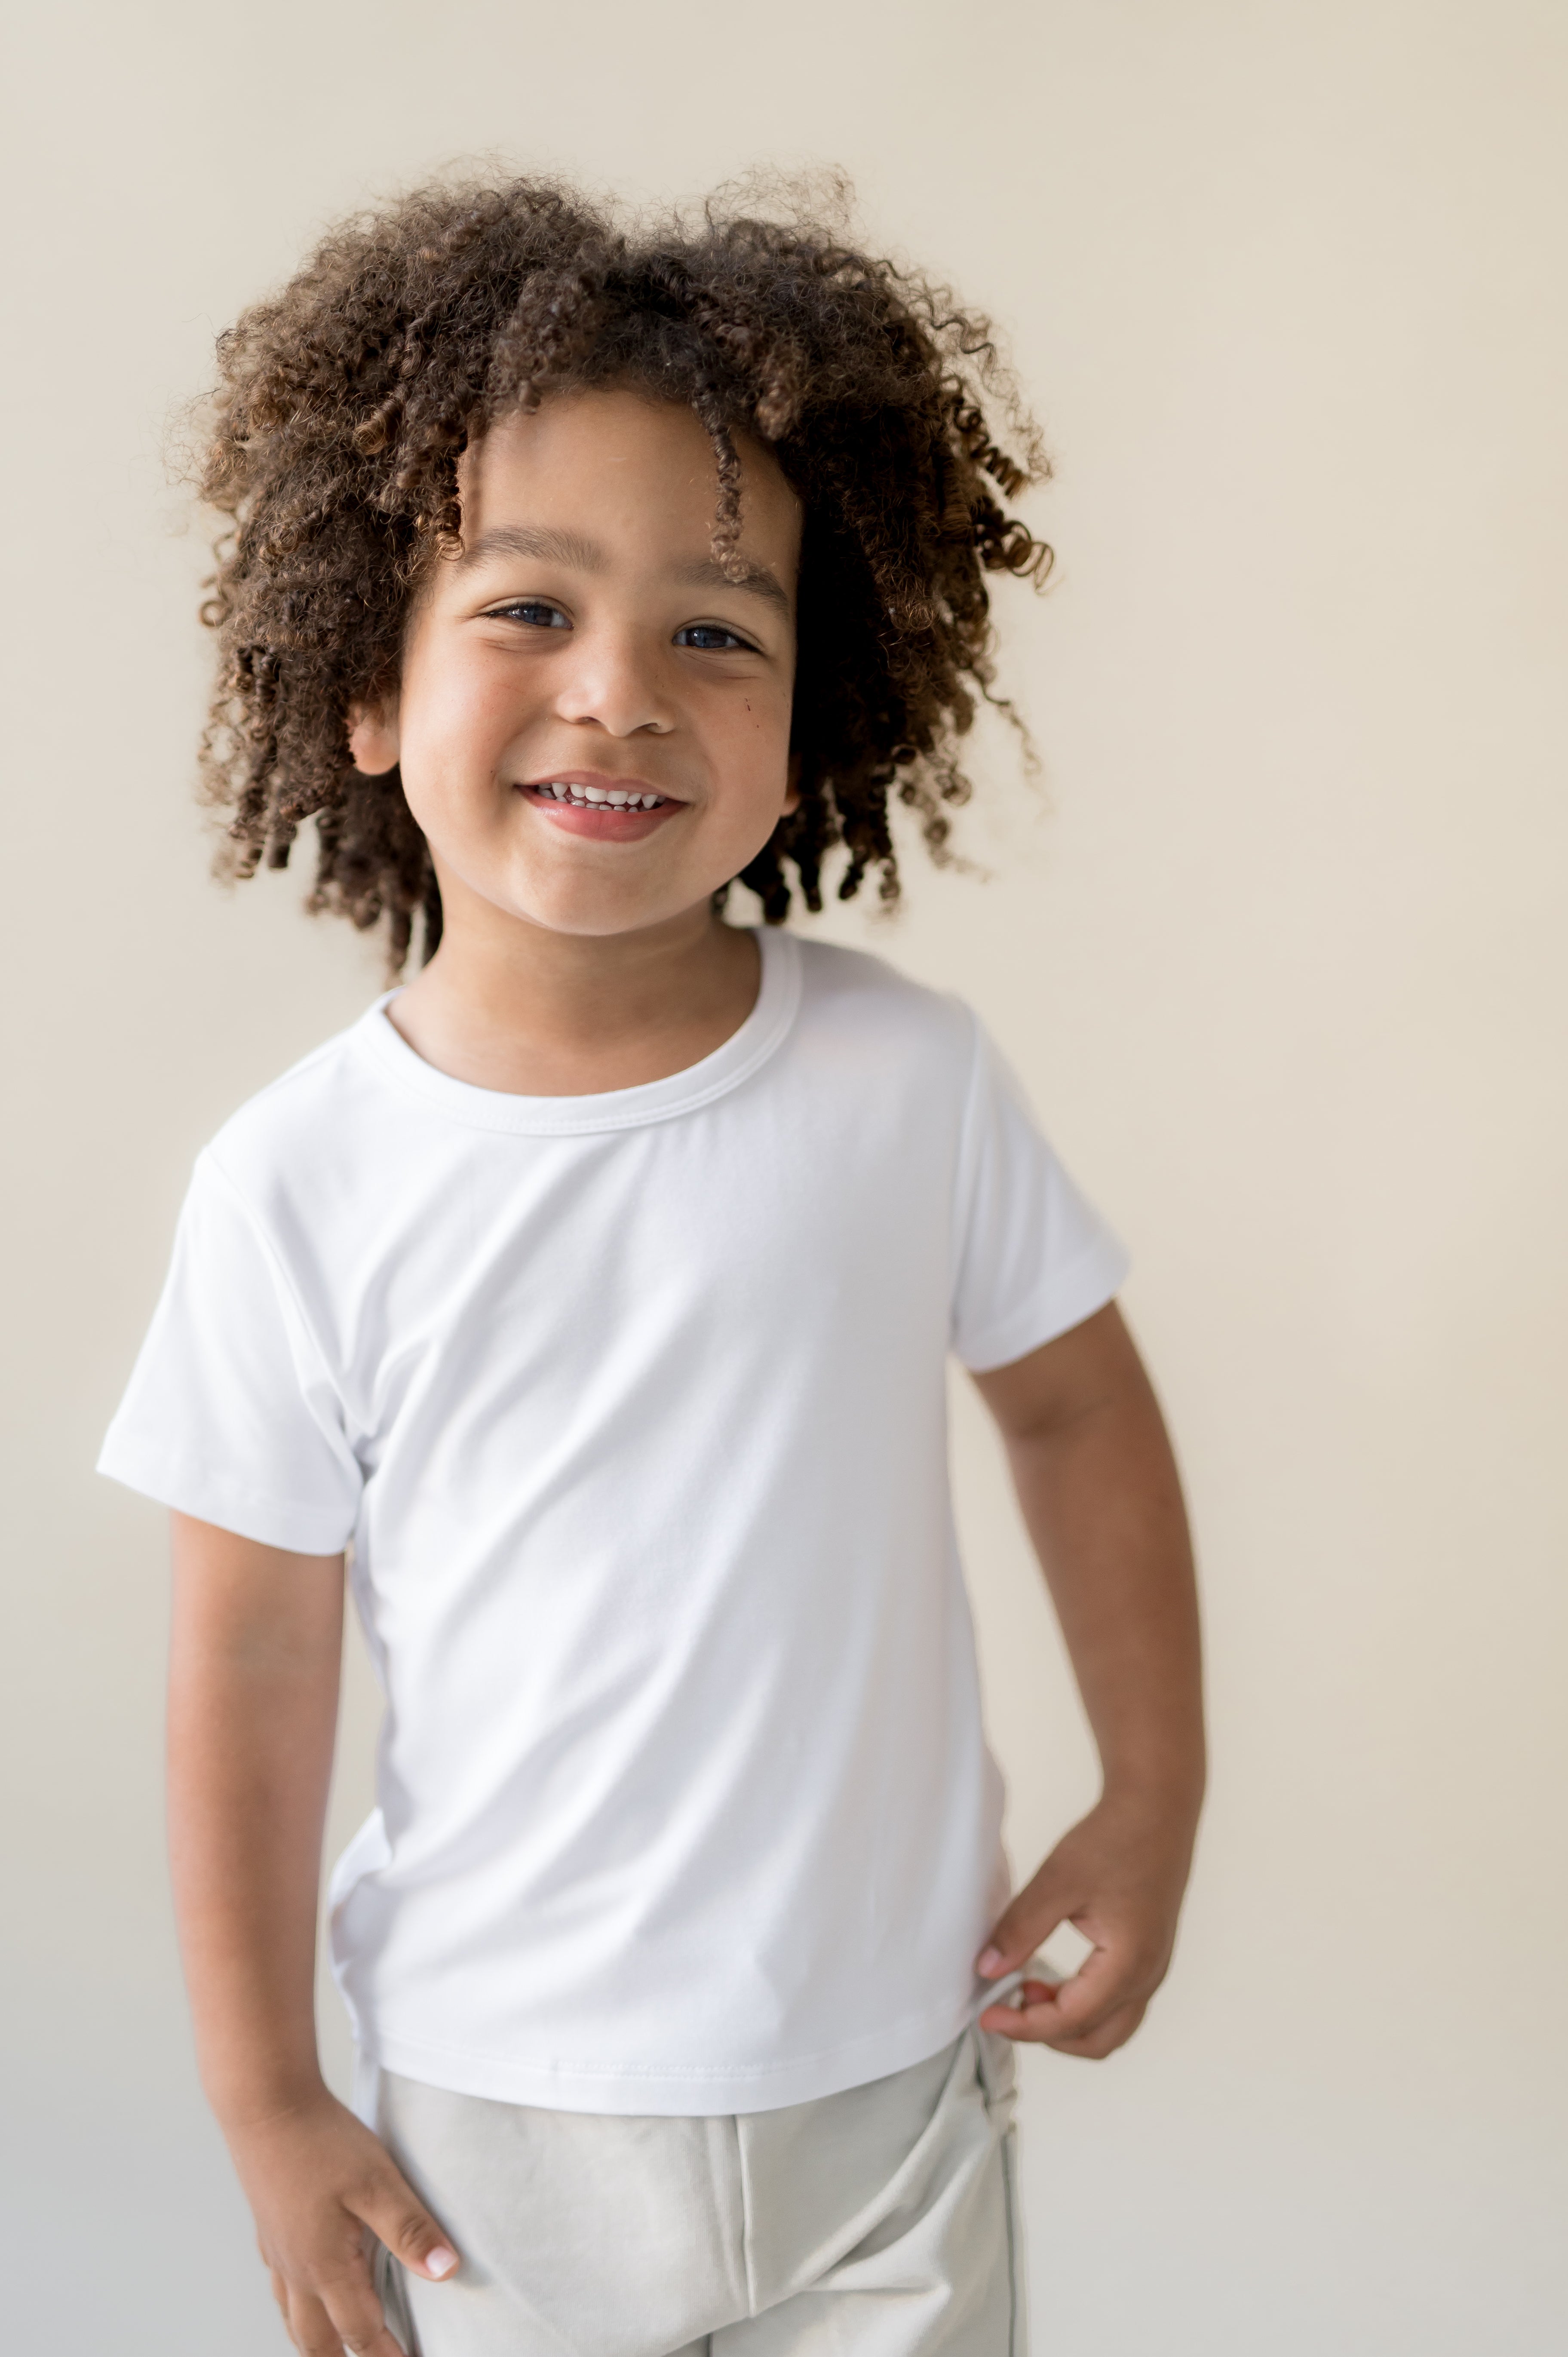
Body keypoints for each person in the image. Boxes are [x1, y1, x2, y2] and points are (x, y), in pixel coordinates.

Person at [99, 175, 1204, 2357]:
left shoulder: (910, 1081)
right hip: (497, 2142)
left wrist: (1154, 1796)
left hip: (894, 2084)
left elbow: (1075, 1402)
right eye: (525, 609)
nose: (619, 692)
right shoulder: (296, 1182)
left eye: (717, 628)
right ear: (363, 689)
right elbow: (244, 1669)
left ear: (818, 719)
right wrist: (262, 2100)